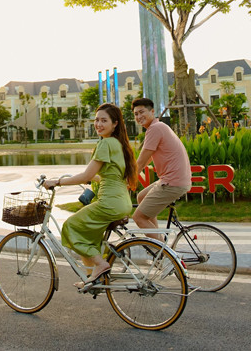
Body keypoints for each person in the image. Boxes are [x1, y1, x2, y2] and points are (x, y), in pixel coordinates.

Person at [43, 103, 138, 287]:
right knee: (88, 237)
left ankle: (101, 264)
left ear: (115, 124)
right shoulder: (118, 144)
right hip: (122, 202)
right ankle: (92, 279)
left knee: (70, 226)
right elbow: (107, 175)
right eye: (96, 120)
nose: (98, 124)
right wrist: (91, 178)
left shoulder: (105, 143)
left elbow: (86, 175)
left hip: (109, 203)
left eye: (104, 120)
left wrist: (57, 182)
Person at [131, 97, 191, 239]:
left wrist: (128, 180)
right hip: (173, 180)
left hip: (171, 183)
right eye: (136, 114)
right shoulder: (159, 127)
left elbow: (141, 162)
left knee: (139, 217)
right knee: (141, 197)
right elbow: (148, 159)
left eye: (142, 112)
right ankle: (156, 240)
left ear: (152, 111)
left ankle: (161, 249)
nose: (139, 116)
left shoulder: (155, 129)